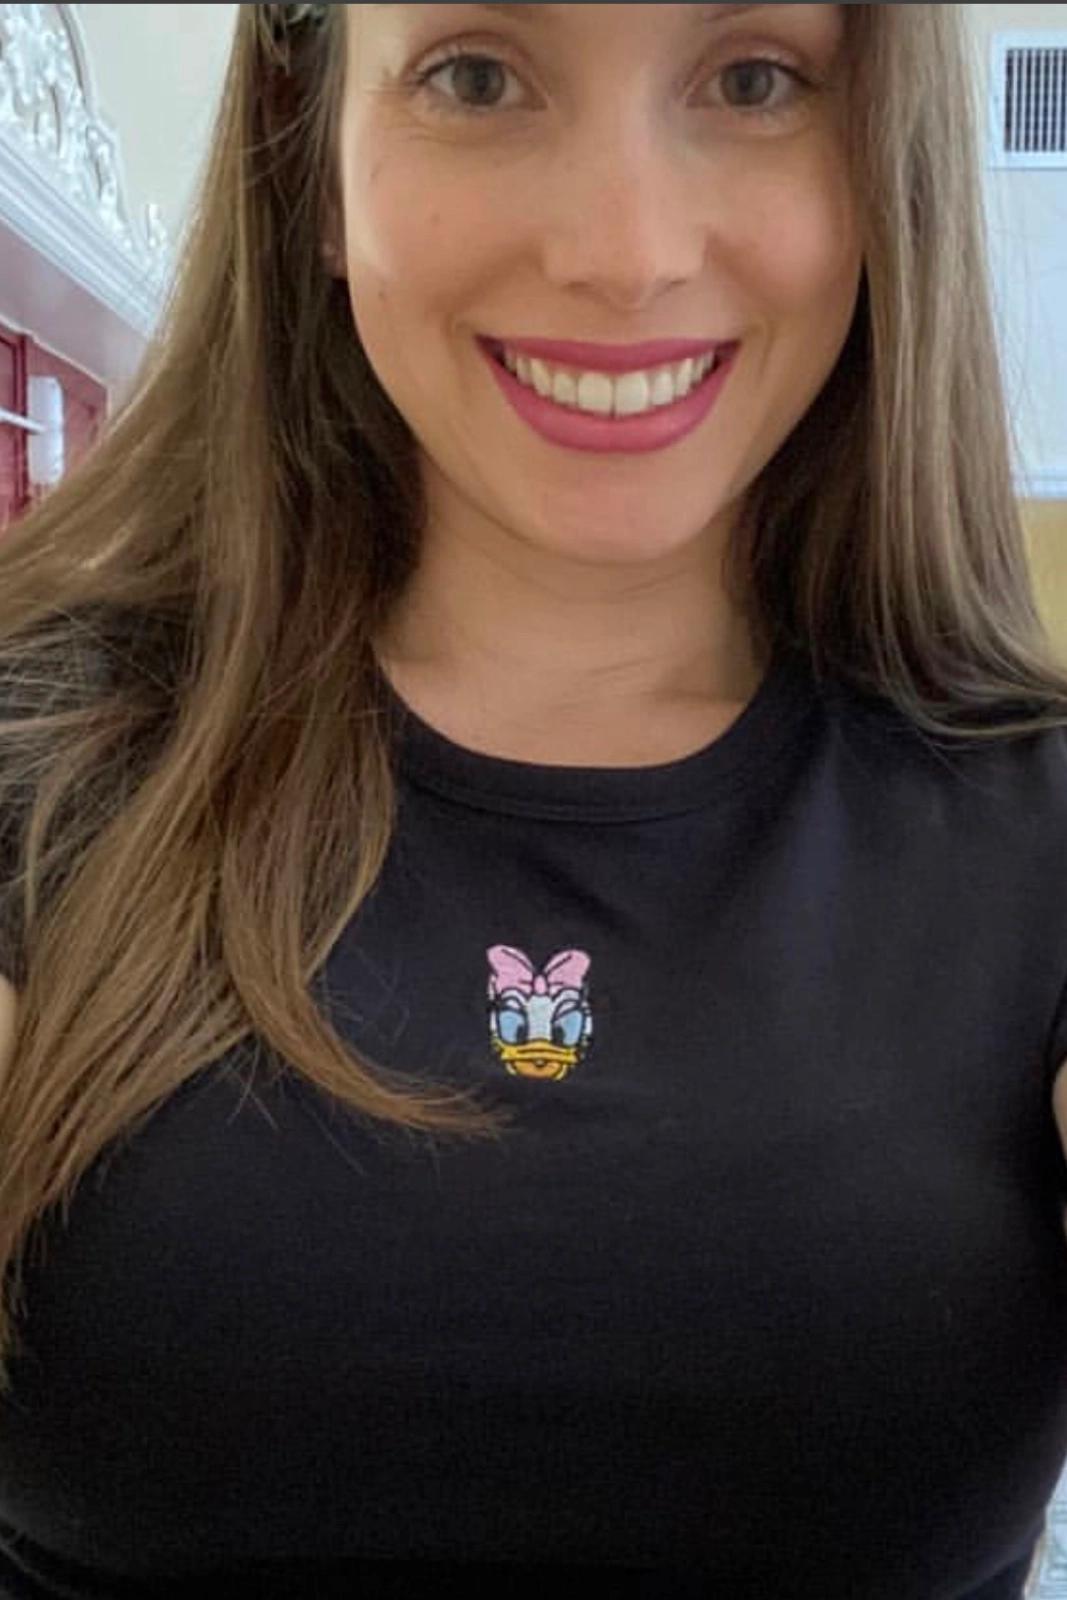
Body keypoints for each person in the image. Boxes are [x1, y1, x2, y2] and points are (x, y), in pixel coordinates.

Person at [0, 4, 1064, 1596]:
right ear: (310, 153)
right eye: (477, 76)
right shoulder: (42, 760)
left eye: (754, 80)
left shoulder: (1039, 827)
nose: (624, 255)